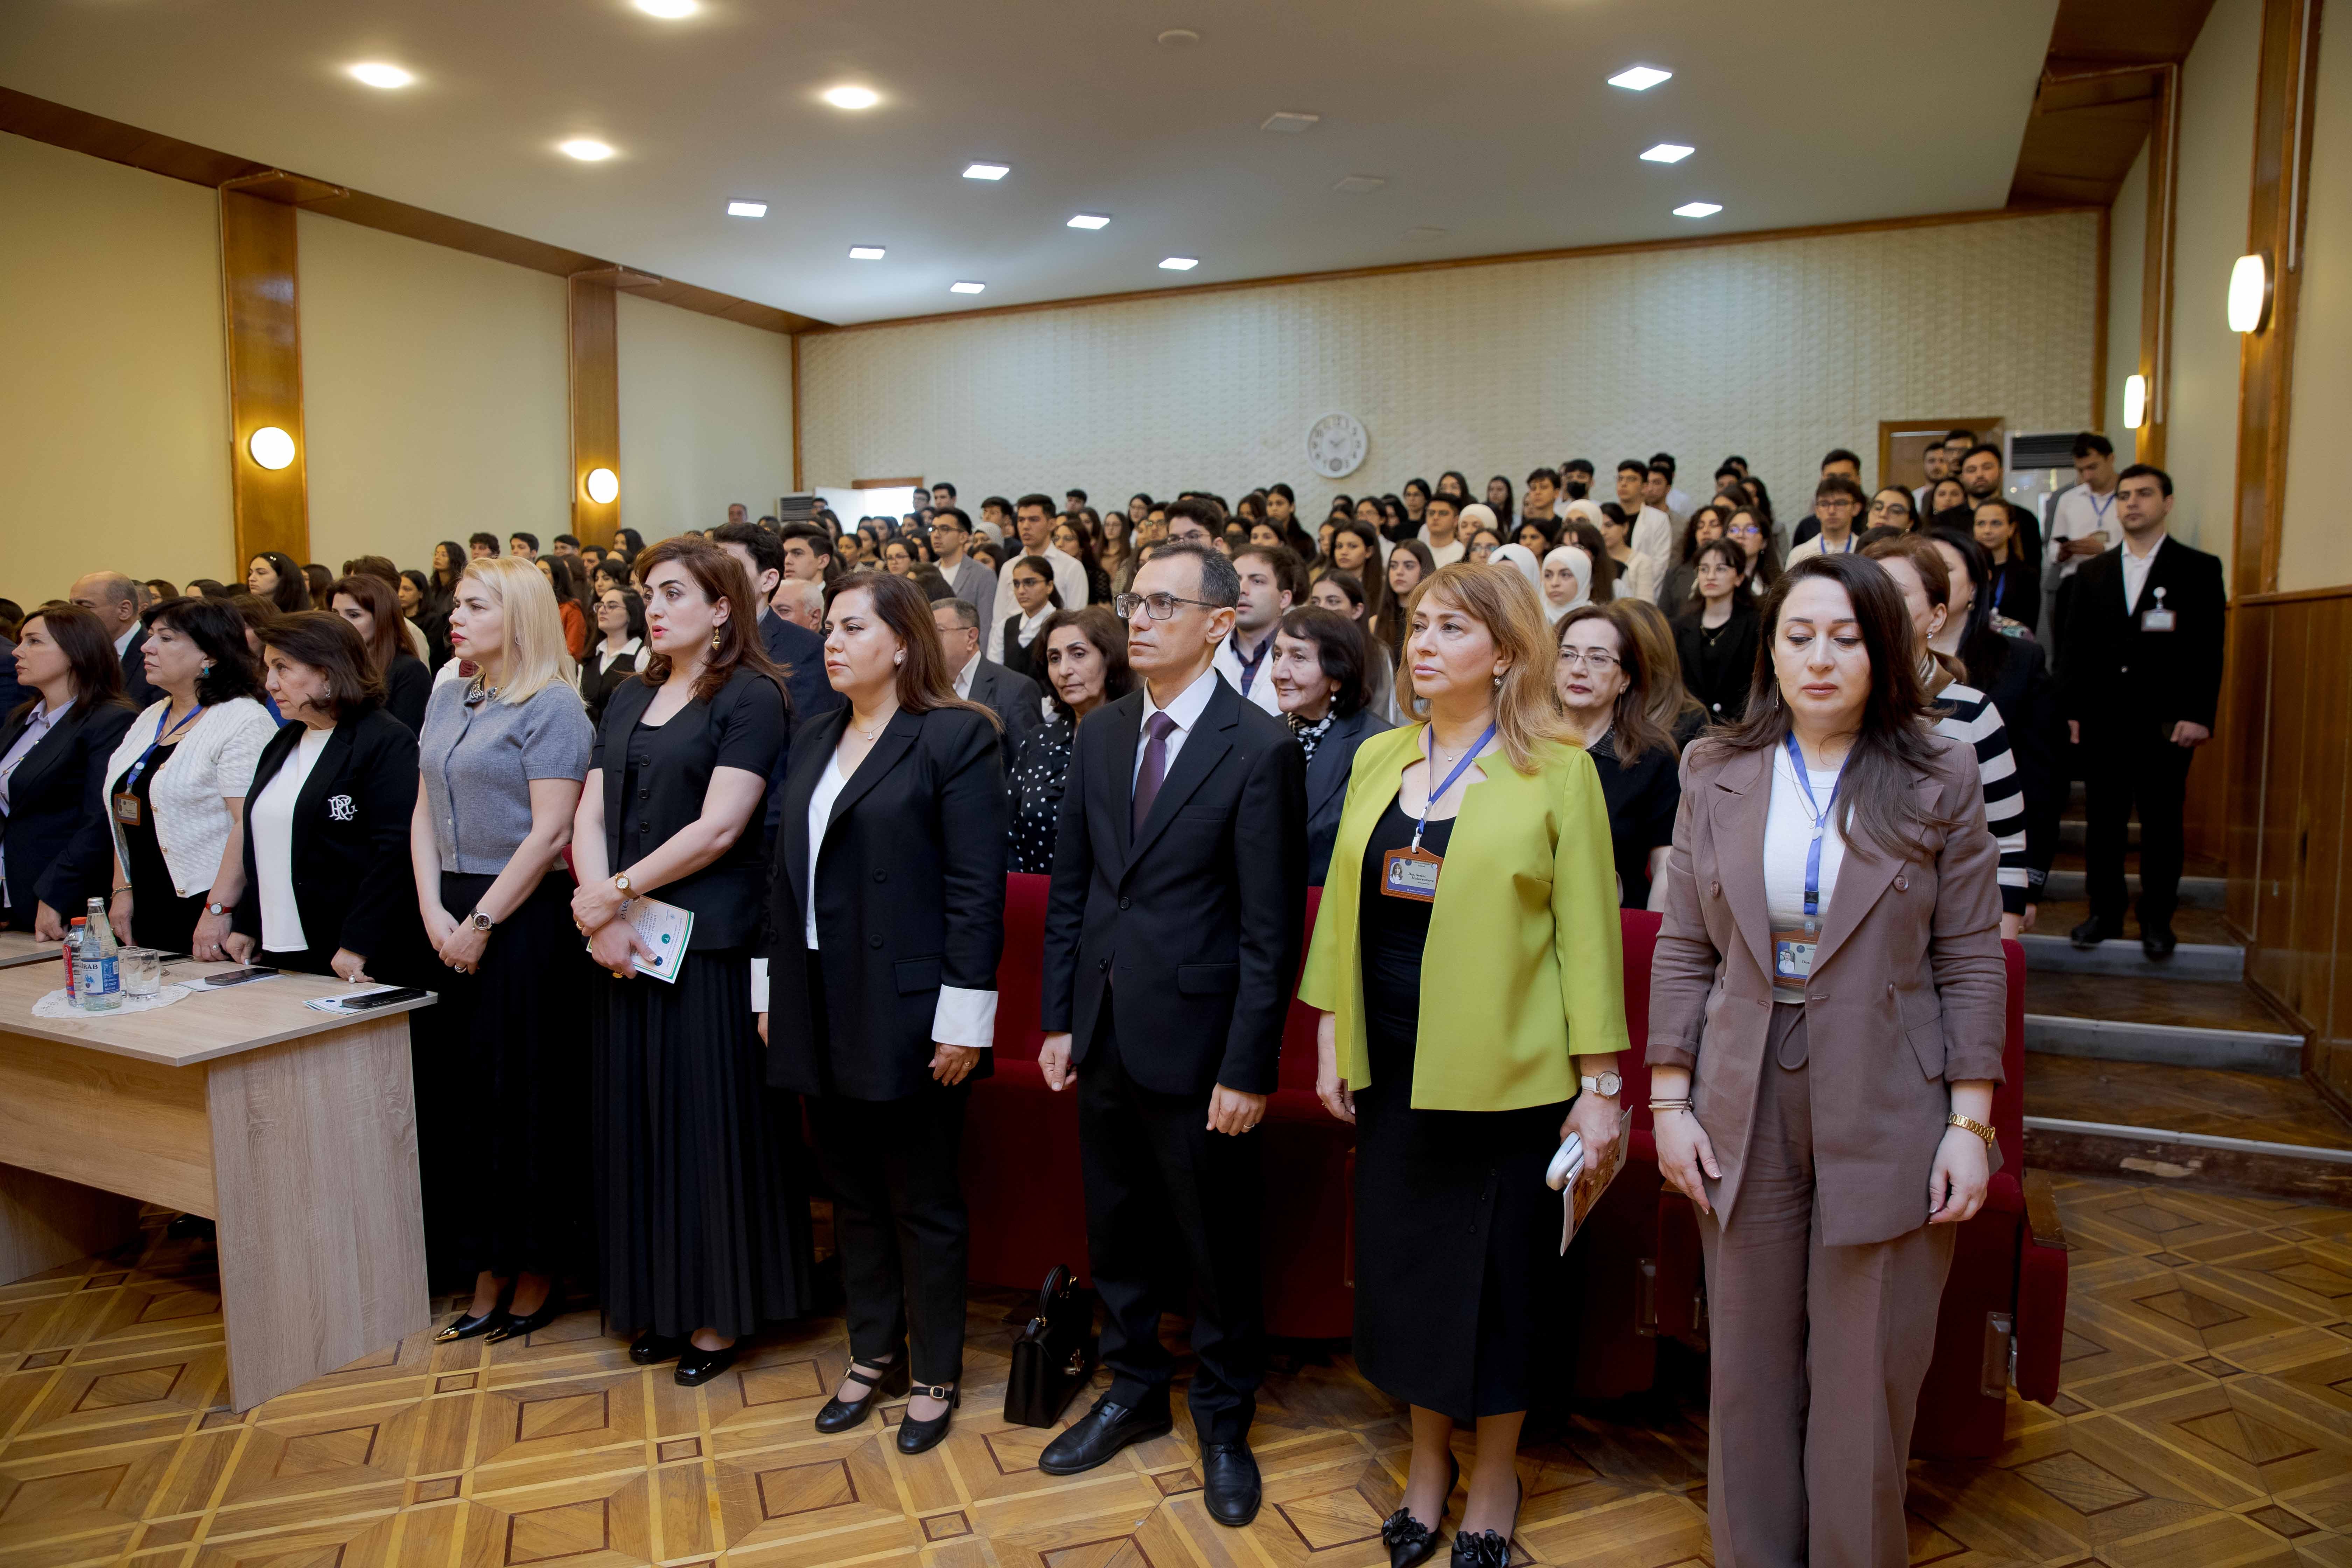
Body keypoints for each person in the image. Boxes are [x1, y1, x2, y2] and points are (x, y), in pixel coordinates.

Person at [1649, 553, 2005, 1568]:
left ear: (1885, 650)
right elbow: (1685, 946)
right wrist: (1669, 1101)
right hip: (1741, 1084)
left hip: (1889, 1088)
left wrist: (1969, 1124)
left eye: (1846, 638)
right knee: (1747, 1366)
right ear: (1769, 651)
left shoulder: (1940, 770)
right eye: (1799, 636)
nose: (1820, 658)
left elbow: (1970, 955)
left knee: (1865, 1374)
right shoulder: (1713, 768)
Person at [1297, 562, 1626, 1568]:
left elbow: (1588, 938)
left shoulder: (1558, 769)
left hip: (1509, 1078)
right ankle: (1427, 1462)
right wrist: (1329, 1028)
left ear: (1509, 653)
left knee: (1500, 1286)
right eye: (1420, 625)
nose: (1425, 644)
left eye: (1452, 628)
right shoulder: (1379, 755)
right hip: (1394, 1067)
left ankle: (1494, 1478)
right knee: (1410, 1278)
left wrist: (1601, 1086)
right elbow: (1342, 905)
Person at [1034, 542, 1307, 1528]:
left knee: (1215, 1242)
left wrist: (1249, 1067)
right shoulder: (1106, 732)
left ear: (1220, 624)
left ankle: (1225, 1420)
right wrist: (1059, 1016)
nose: (1139, 620)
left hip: (1201, 1040)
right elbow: (1074, 888)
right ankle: (1135, 1388)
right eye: (1133, 602)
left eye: (1162, 604)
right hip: (1105, 1025)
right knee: (1117, 1228)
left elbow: (1270, 931)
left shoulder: (1259, 746)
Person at [760, 571, 1008, 1456]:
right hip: (816, 995)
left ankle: (935, 1370)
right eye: (828, 626)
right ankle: (874, 1353)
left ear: (902, 642)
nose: (831, 641)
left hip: (908, 1005)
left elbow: (976, 891)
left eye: (853, 627)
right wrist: (768, 989)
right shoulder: (814, 733)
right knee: (853, 1194)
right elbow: (778, 872)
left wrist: (963, 1020)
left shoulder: (954, 736)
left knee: (921, 1199)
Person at [570, 538, 812, 1386]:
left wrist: (615, 892)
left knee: (705, 1129)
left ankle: (718, 1311)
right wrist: (597, 907)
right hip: (621, 941)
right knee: (639, 1126)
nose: (655, 605)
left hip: (705, 944)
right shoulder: (629, 692)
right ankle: (660, 1301)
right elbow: (590, 811)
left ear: (721, 608)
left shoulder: (752, 694)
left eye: (674, 592)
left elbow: (720, 828)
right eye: (649, 592)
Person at [411, 557, 597, 1343]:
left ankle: (537, 1265)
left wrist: (481, 921)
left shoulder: (554, 705)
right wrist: (432, 907)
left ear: (519, 617)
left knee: (525, 1096)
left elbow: (551, 832)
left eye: (475, 606)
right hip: (448, 906)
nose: (454, 617)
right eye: (456, 604)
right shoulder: (449, 692)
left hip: (524, 919)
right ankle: (484, 1264)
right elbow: (423, 807)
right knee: (465, 1098)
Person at [2057, 464, 2225, 958]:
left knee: (2162, 825)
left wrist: (2200, 714)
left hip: (2167, 723)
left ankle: (2157, 919)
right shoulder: (2093, 572)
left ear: (2167, 503)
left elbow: (2209, 650)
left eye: (2144, 494)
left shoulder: (2198, 568)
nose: (2133, 503)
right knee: (2104, 823)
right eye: (2126, 495)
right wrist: (2071, 710)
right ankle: (2104, 913)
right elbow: (2073, 648)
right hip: (2104, 720)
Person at [225, 611, 425, 987]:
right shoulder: (284, 741)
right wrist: (247, 921)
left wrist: (358, 942)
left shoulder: (384, 739)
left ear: (329, 672)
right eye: (268, 668)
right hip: (278, 941)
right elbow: (269, 843)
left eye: (282, 668)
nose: (269, 683)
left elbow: (395, 852)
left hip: (348, 947)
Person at [1865, 536, 2032, 938]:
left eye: (1897, 594)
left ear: (1937, 617)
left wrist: (2001, 947)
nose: (1879, 608)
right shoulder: (1830, 707)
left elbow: (2005, 845)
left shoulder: (1971, 712)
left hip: (1942, 929)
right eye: (1869, 595)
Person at [101, 598, 277, 959]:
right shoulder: (153, 715)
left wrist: (219, 909)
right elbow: (124, 809)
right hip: (147, 899)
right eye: (150, 636)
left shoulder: (243, 719)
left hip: (207, 904)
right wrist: (122, 889)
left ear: (210, 655)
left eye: (166, 638)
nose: (147, 647)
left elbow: (247, 824)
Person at [1929, 527, 2065, 920]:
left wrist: (2028, 880)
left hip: (1986, 858)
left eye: (1944, 569)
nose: (1931, 580)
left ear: (1975, 586)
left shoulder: (2019, 660)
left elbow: (2041, 779)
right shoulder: (1877, 663)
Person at [0, 606, 136, 936]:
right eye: (21, 641)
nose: (18, 651)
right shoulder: (22, 718)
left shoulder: (110, 720)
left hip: (63, 900)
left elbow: (99, 821)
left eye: (34, 642)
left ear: (76, 652)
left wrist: (55, 893)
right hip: (12, 895)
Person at [1556, 604, 1682, 910]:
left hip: (1616, 920)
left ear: (1626, 678)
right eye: (1568, 655)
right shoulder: (1523, 745)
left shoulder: (1653, 758)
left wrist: (1652, 934)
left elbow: (1666, 865)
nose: (1578, 669)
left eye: (1598, 658)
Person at [1005, 607, 1132, 875]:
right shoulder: (1038, 740)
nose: (1064, 670)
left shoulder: (1140, 738)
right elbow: (1008, 832)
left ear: (1110, 658)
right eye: (1054, 658)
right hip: (1034, 895)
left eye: (1078, 654)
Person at [1271, 606, 1389, 884]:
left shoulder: (1377, 746)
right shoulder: (1263, 734)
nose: (1279, 673)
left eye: (1298, 657)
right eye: (1277, 655)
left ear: (1337, 677)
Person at [932, 597, 1043, 746]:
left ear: (971, 637)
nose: (929, 641)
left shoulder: (1016, 689)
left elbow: (1024, 757)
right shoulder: (927, 687)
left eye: (938, 632)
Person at [2044, 433, 2120, 652]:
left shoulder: (2127, 497)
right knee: (2070, 651)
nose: (2087, 476)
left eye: (2093, 467)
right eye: (2080, 470)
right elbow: (2052, 547)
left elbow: (2140, 545)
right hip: (2074, 582)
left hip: (2117, 579)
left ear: (2111, 459)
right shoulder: (2068, 499)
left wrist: (2104, 550)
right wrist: (2063, 552)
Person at [327, 574, 430, 733]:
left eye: (354, 615)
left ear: (381, 618)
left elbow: (405, 739)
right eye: (335, 614)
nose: (340, 623)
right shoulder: (333, 664)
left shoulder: (409, 671)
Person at [1674, 539, 1760, 723]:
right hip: (1690, 726)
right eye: (1704, 569)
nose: (1710, 576)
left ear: (1739, 578)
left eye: (1721, 569)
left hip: (1740, 725)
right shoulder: (1681, 626)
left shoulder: (1755, 625)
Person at [992, 497, 1089, 651]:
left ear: (1052, 524)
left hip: (1055, 647)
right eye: (1021, 520)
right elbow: (998, 620)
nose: (1026, 526)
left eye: (1034, 520)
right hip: (1012, 646)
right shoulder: (1009, 567)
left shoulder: (1071, 567)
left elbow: (1077, 622)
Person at [1211, 545, 1295, 715]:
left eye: (1257, 581)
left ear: (1284, 599)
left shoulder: (1305, 653)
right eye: (1236, 580)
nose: (1242, 590)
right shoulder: (1205, 649)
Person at [69, 573, 163, 707]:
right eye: (71, 606)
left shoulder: (159, 654)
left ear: (124, 610)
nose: (72, 615)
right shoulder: (74, 653)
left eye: (85, 607)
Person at [1970, 496, 2041, 633]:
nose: (1987, 530)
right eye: (1981, 524)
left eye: (1996, 523)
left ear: (2011, 529)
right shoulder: (1966, 571)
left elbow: (2028, 628)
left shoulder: (2026, 576)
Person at [580, 584, 646, 727]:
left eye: (612, 606)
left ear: (631, 613)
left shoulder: (643, 656)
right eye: (600, 605)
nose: (602, 610)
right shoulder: (591, 657)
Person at [995, 555, 1063, 685]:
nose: (1021, 591)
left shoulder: (1062, 625)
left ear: (1050, 586)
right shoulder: (1005, 626)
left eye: (1030, 583)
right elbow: (996, 673)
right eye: (1016, 584)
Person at [928, 507, 997, 631]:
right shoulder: (928, 572)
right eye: (933, 529)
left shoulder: (983, 574)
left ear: (963, 537)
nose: (936, 535)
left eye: (945, 529)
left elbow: (985, 624)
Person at [1658, 504, 1731, 613]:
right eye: (1700, 527)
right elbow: (1663, 615)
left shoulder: (1733, 569)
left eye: (1714, 525)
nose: (1706, 531)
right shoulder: (1676, 571)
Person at [1786, 448, 1864, 549]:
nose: (1837, 483)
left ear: (1859, 479)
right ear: (1821, 480)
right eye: (1831, 478)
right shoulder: (1807, 526)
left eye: (1845, 477)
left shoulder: (1871, 519)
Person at [1611, 460, 1674, 581]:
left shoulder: (1659, 519)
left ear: (1645, 487)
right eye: (1620, 479)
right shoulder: (1606, 516)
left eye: (1631, 479)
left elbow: (1660, 565)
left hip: (1644, 586)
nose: (1623, 484)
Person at [1787, 475, 1868, 562]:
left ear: (1856, 509)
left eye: (1840, 503)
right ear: (1817, 510)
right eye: (1824, 504)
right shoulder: (1800, 554)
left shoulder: (1866, 552)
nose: (1832, 511)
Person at [1375, 539, 1436, 654]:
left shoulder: (1435, 621)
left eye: (1409, 566)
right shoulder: (1375, 623)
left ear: (1425, 569)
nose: (1399, 572)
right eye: (1393, 566)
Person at [1540, 544, 1593, 625]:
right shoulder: (1535, 618)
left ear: (1582, 578)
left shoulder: (1595, 619)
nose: (1554, 583)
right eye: (1548, 576)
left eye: (1565, 575)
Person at [246, 551, 312, 614]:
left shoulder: (303, 617)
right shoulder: (245, 611)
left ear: (282, 578)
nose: (251, 579)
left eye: (261, 573)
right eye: (251, 573)